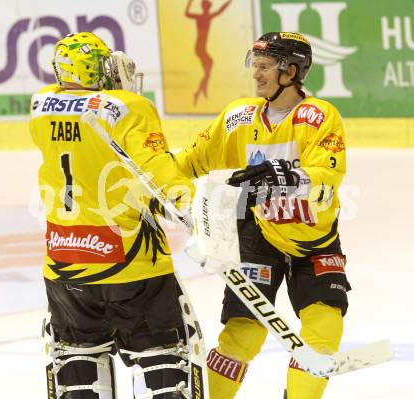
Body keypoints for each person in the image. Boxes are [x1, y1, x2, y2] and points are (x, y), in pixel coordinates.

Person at [176, 32, 351, 399]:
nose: (256, 75)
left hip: (315, 240)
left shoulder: (318, 116)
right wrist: (154, 180)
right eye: (254, 66)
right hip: (261, 235)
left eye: (265, 67)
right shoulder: (238, 117)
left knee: (325, 328)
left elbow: (328, 178)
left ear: (291, 71)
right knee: (243, 330)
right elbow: (189, 161)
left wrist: (281, 174)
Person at [30, 32, 198, 399]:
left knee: (77, 364)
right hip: (132, 264)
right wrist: (194, 208)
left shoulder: (41, 105)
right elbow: (155, 169)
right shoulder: (128, 106)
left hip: (65, 261)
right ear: (93, 68)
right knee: (162, 360)